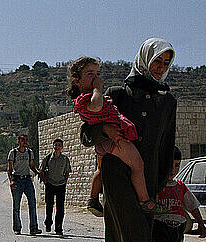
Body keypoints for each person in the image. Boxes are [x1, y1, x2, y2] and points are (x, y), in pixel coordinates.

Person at [80, 38, 177, 242]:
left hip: (148, 180)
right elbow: (86, 131)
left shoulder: (168, 100)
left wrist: (160, 183)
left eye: (165, 63)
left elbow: (166, 145)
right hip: (117, 175)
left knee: (122, 238)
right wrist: (102, 131)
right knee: (134, 239)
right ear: (144, 59)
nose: (160, 67)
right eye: (156, 60)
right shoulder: (117, 94)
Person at [69, 56, 168, 216]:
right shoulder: (95, 97)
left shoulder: (167, 100)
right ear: (77, 81)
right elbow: (94, 111)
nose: (96, 78)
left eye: (97, 73)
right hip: (113, 140)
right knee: (138, 165)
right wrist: (97, 89)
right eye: (90, 74)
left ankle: (93, 199)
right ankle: (145, 200)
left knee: (100, 170)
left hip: (104, 144)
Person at [7, 135, 43, 235]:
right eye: (23, 140)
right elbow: (9, 168)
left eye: (26, 140)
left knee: (32, 203)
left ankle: (34, 228)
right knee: (16, 205)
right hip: (17, 179)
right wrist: (11, 181)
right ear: (18, 141)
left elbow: (31, 165)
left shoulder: (29, 152)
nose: (25, 142)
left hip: (27, 180)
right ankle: (17, 228)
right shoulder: (13, 153)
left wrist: (37, 172)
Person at [40, 138, 71, 235]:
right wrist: (45, 181)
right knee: (49, 205)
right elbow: (41, 170)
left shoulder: (65, 159)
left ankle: (59, 227)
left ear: (62, 147)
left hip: (61, 185)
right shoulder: (48, 158)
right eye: (55, 145)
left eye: (59, 145)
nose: (57, 147)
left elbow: (67, 172)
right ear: (53, 146)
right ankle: (48, 223)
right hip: (50, 184)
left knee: (60, 207)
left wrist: (64, 181)